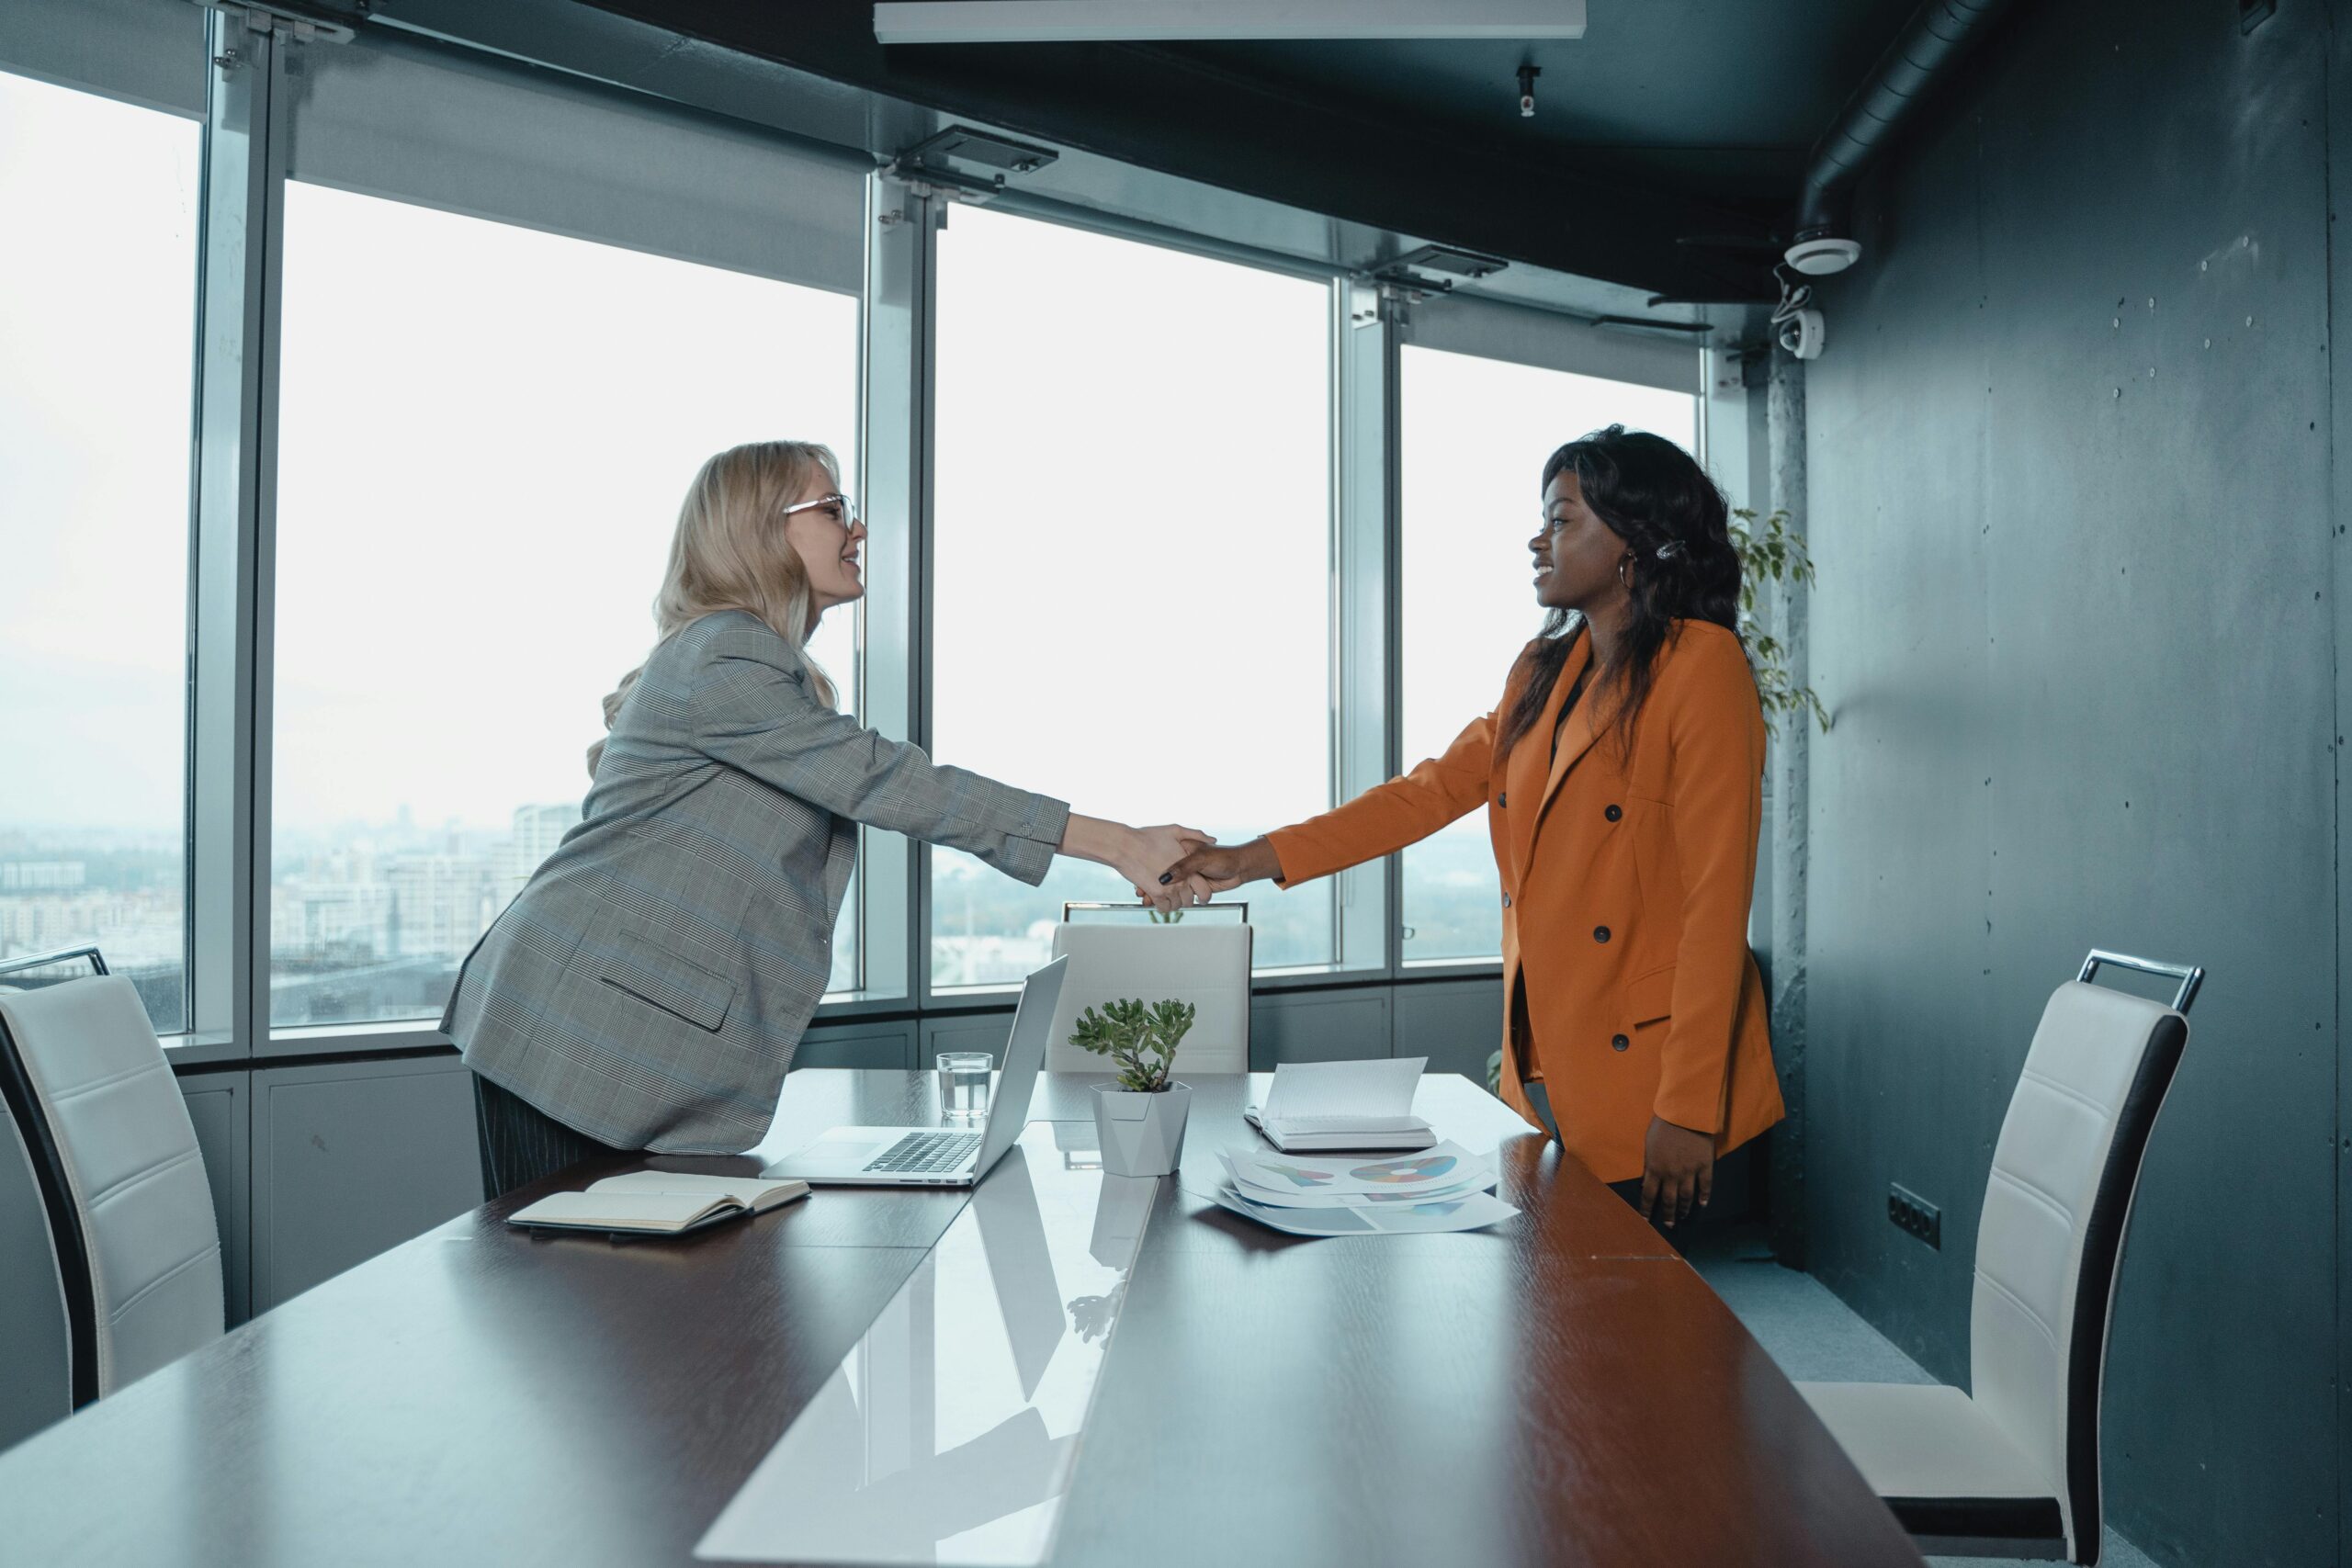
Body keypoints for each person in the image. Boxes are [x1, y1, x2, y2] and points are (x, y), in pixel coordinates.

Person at [446, 439, 1208, 1198]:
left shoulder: (757, 665)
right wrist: (1117, 843)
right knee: (563, 1295)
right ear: (763, 529)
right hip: (571, 1036)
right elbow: (891, 779)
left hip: (612, 1038)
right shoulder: (725, 655)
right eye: (834, 507)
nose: (858, 530)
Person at [1166, 425, 1782, 1228]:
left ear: (1637, 540)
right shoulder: (1541, 670)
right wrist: (1250, 859)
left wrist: (1690, 1106)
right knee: (1554, 1327)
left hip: (1659, 1076)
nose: (1539, 540)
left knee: (1647, 1339)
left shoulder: (1702, 666)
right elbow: (1421, 795)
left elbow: (1715, 903)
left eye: (1562, 520)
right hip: (1545, 1066)